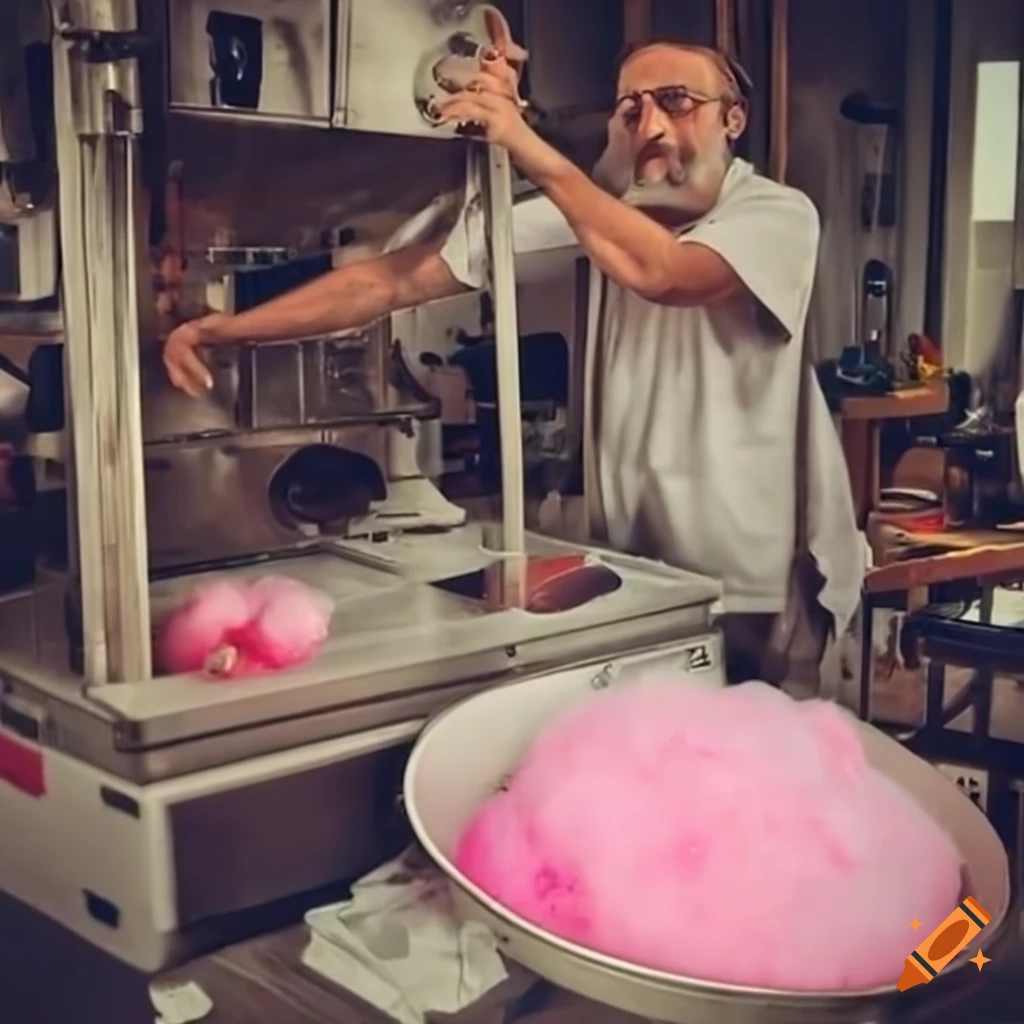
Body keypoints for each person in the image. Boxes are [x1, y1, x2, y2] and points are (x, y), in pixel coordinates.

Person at [164, 40, 864, 685]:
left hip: (761, 582)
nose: (649, 124)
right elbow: (393, 279)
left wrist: (524, 142)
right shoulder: (605, 215)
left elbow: (666, 273)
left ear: (733, 120)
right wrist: (229, 329)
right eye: (630, 107)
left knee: (759, 790)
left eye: (676, 101)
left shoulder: (774, 213)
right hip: (646, 574)